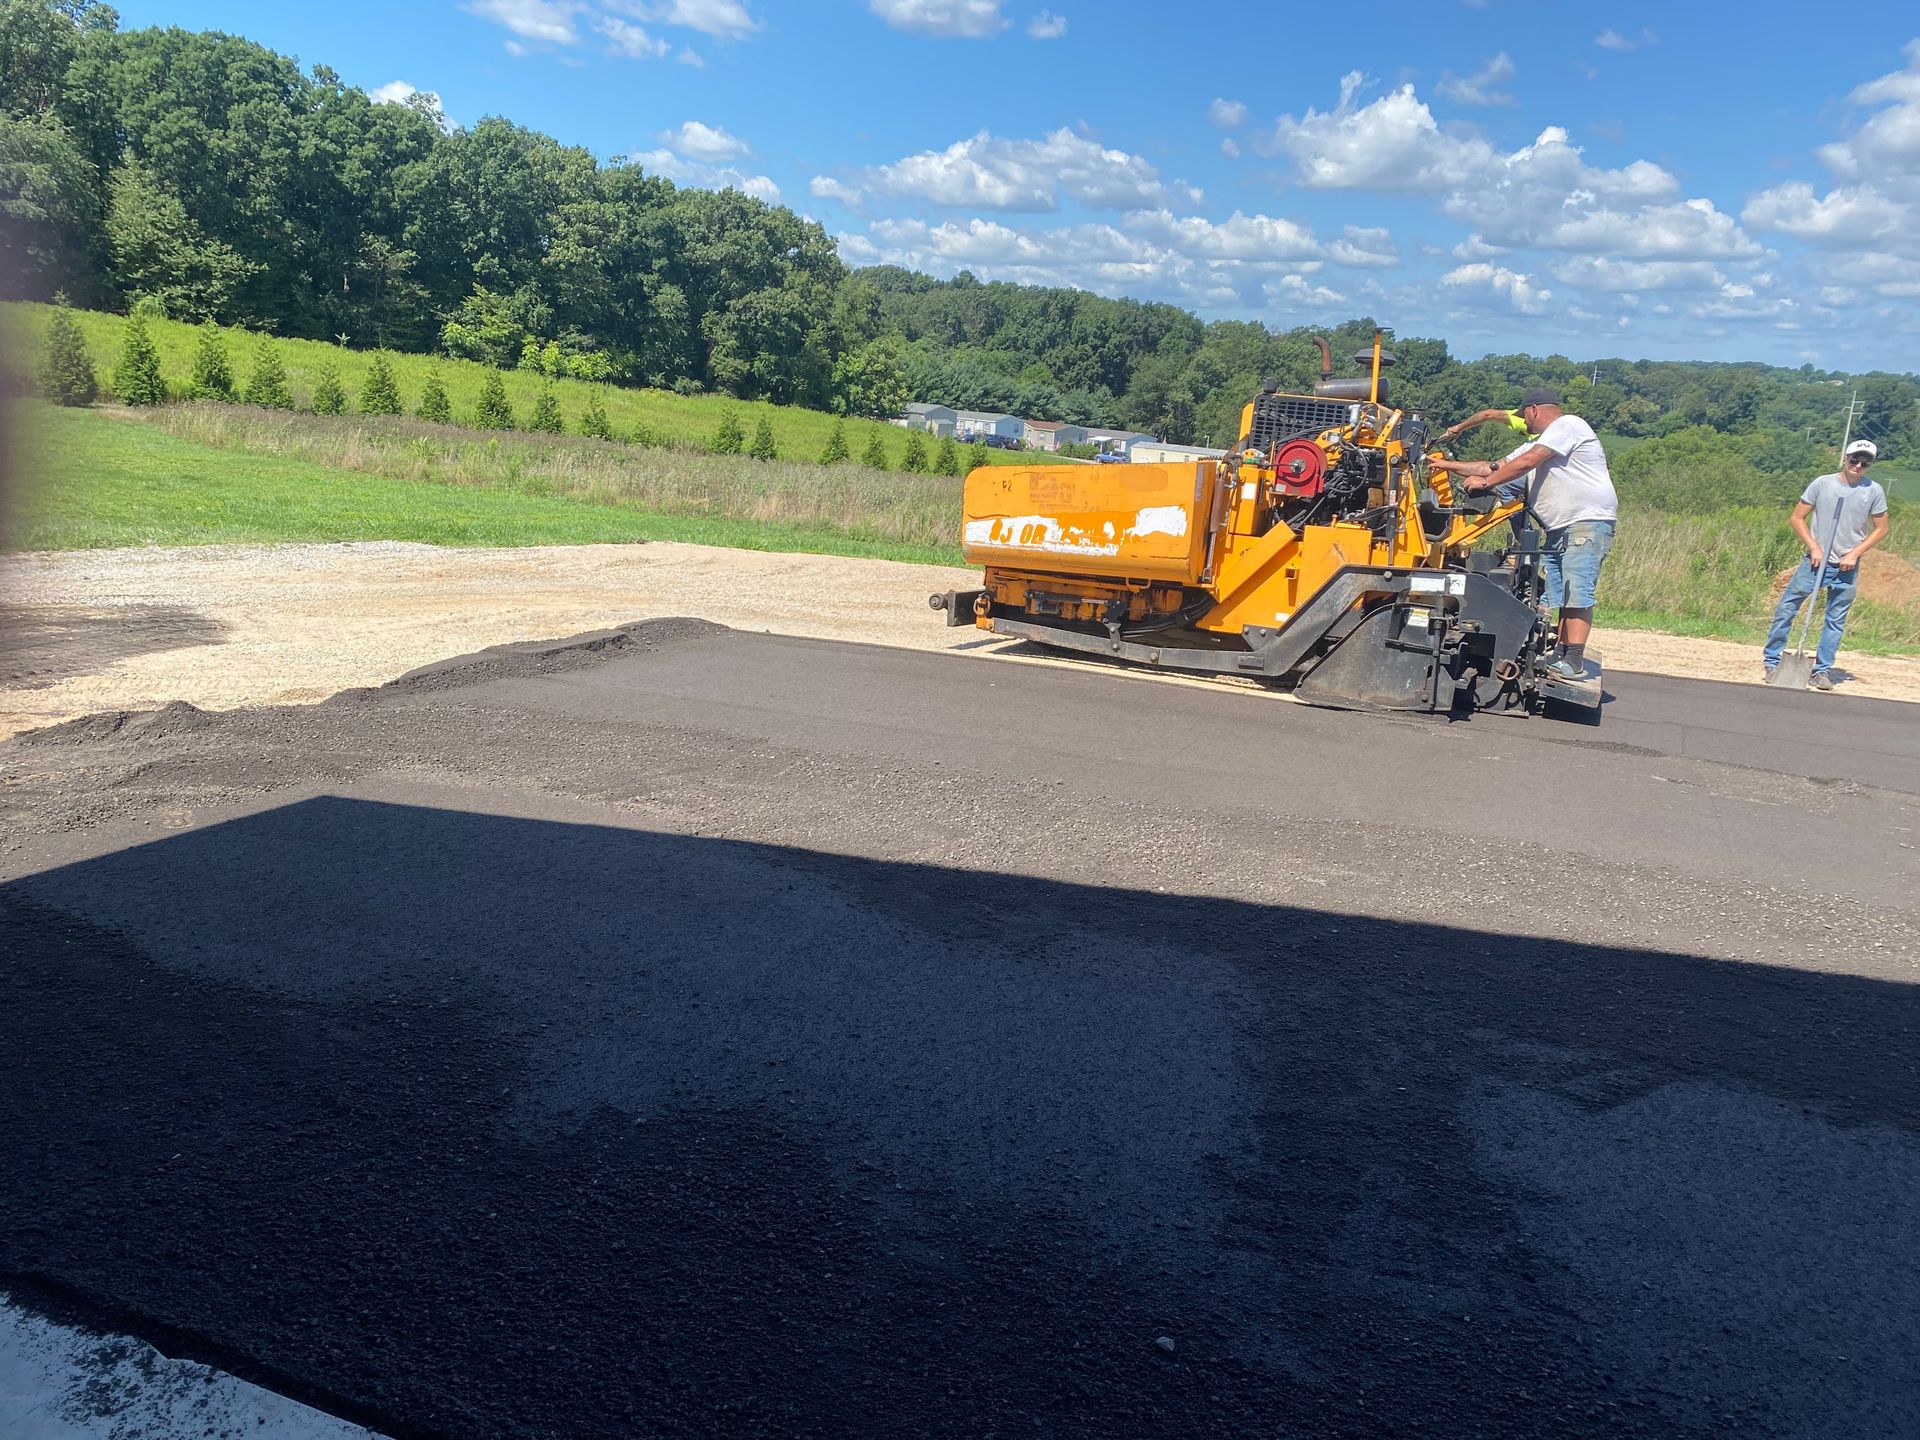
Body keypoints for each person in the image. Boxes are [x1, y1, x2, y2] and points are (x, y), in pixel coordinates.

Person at [1462, 387, 1618, 681]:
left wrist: (1487, 483)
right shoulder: (1547, 440)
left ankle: (1573, 660)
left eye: (1525, 418)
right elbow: (1498, 466)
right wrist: (1444, 465)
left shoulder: (1567, 425)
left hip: (1584, 522)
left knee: (1576, 591)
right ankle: (1561, 653)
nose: (1525, 425)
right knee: (1558, 593)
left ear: (1534, 410)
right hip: (1560, 527)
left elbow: (1525, 463)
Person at [1762, 439, 1891, 690]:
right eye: (1855, 459)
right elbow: (1797, 517)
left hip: (1847, 566)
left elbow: (1881, 528)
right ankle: (1772, 661)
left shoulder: (1873, 490)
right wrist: (1813, 546)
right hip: (1814, 561)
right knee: (1787, 608)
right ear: (1845, 458)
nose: (1858, 465)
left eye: (1865, 462)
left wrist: (1855, 553)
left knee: (1835, 620)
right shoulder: (1822, 483)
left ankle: (1821, 670)